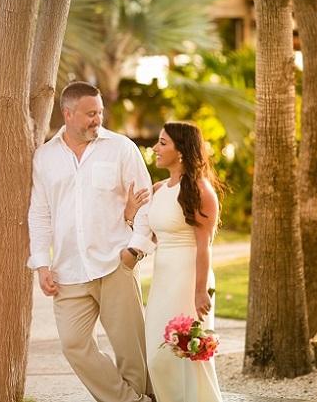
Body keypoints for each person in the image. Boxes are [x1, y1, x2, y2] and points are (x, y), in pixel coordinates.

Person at [27, 81, 155, 402]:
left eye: (99, 112)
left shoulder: (122, 148)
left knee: (131, 353)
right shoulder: (45, 157)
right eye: (89, 114)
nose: (97, 119)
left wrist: (134, 250)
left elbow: (145, 201)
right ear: (67, 114)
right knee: (73, 344)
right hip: (68, 271)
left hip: (115, 264)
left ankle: (142, 395)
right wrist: (41, 263)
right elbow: (40, 213)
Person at [125, 121, 223, 402]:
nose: (155, 148)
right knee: (158, 356)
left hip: (189, 279)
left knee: (189, 353)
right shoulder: (158, 189)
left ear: (181, 151)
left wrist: (200, 290)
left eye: (163, 143)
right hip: (163, 280)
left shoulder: (201, 191)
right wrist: (132, 214)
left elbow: (204, 247)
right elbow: (151, 237)